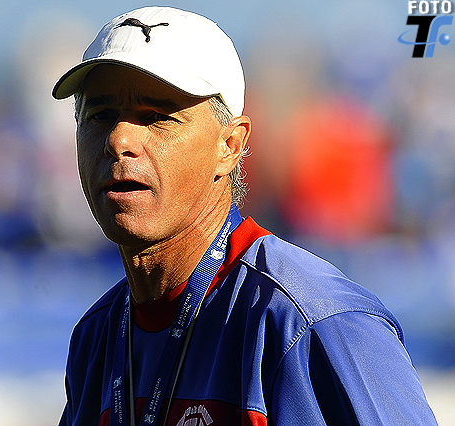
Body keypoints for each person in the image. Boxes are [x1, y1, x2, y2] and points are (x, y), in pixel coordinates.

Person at [51, 6, 438, 426]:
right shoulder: (99, 336)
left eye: (157, 117)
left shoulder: (312, 322)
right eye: (100, 115)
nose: (119, 140)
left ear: (230, 146)